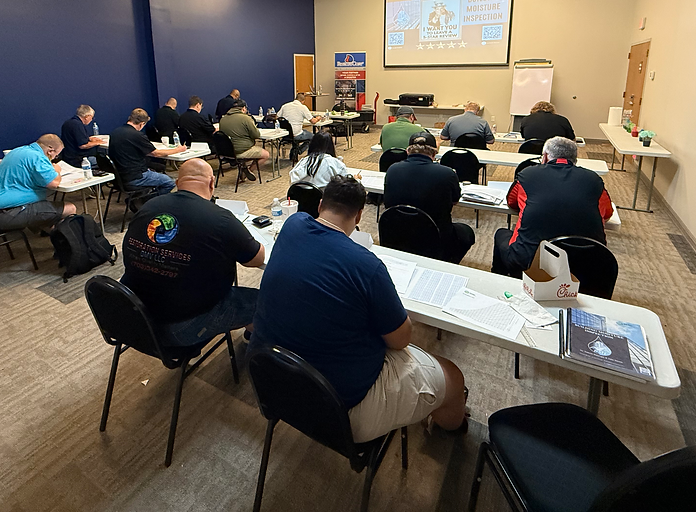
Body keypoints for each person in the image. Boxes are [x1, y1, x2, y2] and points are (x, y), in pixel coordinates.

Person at [251, 175, 468, 443]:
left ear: (320, 205)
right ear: (359, 216)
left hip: (272, 386)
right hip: (339, 413)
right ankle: (453, 431)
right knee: (453, 377)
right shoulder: (368, 266)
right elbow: (401, 341)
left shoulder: (293, 224)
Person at [120, 159, 265, 344]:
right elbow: (256, 258)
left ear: (177, 183)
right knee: (264, 300)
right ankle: (257, 342)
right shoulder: (220, 219)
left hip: (135, 314)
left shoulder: (149, 206)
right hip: (180, 327)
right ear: (212, 183)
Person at [492, 136, 614, 278]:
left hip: (531, 260)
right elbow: (607, 213)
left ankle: (499, 280)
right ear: (575, 159)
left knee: (501, 234)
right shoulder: (594, 180)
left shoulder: (527, 175)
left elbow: (511, 202)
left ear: (544, 156)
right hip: (588, 262)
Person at [383, 134, 475, 264]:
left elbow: (388, 202)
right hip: (434, 236)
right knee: (466, 232)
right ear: (435, 153)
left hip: (396, 233)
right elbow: (455, 200)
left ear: (408, 151)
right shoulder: (447, 173)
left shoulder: (392, 170)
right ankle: (445, 262)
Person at [0, 134, 75, 231]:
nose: (54, 158)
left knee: (42, 205)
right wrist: (57, 170)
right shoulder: (37, 157)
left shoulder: (18, 151)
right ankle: (66, 242)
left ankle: (51, 232)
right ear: (50, 151)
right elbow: (53, 183)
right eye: (56, 156)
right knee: (69, 208)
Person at [109, 109, 187, 196]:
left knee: (157, 172)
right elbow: (155, 153)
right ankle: (148, 201)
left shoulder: (115, 132)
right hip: (136, 176)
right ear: (142, 124)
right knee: (170, 182)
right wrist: (178, 150)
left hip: (119, 177)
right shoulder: (137, 135)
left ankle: (141, 198)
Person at [218, 98, 269, 181]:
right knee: (265, 154)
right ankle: (248, 171)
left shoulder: (223, 119)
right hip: (241, 151)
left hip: (226, 152)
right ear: (243, 108)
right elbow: (256, 135)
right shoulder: (246, 118)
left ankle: (244, 168)